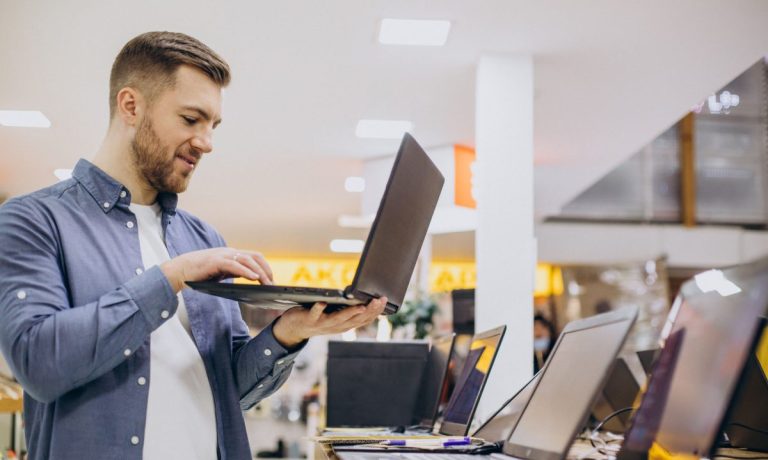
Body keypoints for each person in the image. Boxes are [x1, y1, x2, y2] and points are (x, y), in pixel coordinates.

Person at [0, 31, 386, 460]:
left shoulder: (203, 239)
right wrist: (171, 277)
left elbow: (232, 391)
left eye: (212, 126)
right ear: (131, 106)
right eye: (190, 119)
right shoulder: (33, 220)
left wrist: (289, 332)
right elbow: (38, 362)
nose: (207, 142)